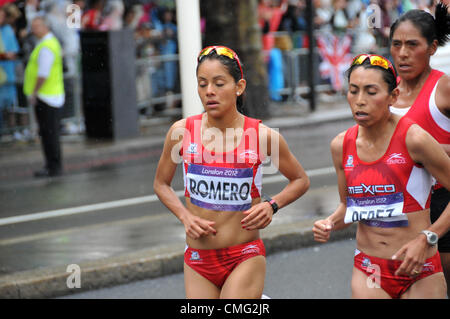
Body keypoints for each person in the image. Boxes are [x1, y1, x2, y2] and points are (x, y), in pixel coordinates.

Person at [153, 45, 310, 299]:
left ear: (239, 87)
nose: (209, 92)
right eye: (202, 84)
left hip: (244, 255)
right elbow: (161, 184)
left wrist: (272, 205)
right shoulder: (181, 132)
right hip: (198, 260)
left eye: (219, 83)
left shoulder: (262, 136)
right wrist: (185, 217)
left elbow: (300, 180)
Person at [312, 54, 450, 299]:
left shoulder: (414, 139)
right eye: (353, 91)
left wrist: (428, 237)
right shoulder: (341, 145)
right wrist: (329, 223)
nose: (360, 101)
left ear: (393, 97)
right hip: (370, 269)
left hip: (419, 268)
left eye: (371, 91)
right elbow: (347, 207)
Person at [388, 2, 450, 296]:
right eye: (396, 44)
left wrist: (437, 150)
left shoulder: (444, 88)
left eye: (413, 44)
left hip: (441, 205)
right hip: (397, 210)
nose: (402, 53)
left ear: (432, 48)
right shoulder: (384, 93)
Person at [23, 16, 64, 177]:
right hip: (51, 94)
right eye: (32, 26)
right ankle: (53, 165)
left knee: (49, 134)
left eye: (37, 26)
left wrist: (34, 92)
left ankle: (53, 167)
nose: (33, 29)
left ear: (46, 27)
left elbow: (43, 74)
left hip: (46, 96)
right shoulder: (47, 43)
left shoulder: (47, 46)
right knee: (50, 133)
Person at [0, 5, 19, 139]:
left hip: (7, 75)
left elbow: (13, 52)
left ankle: (11, 131)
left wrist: (6, 56)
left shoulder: (7, 30)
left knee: (10, 104)